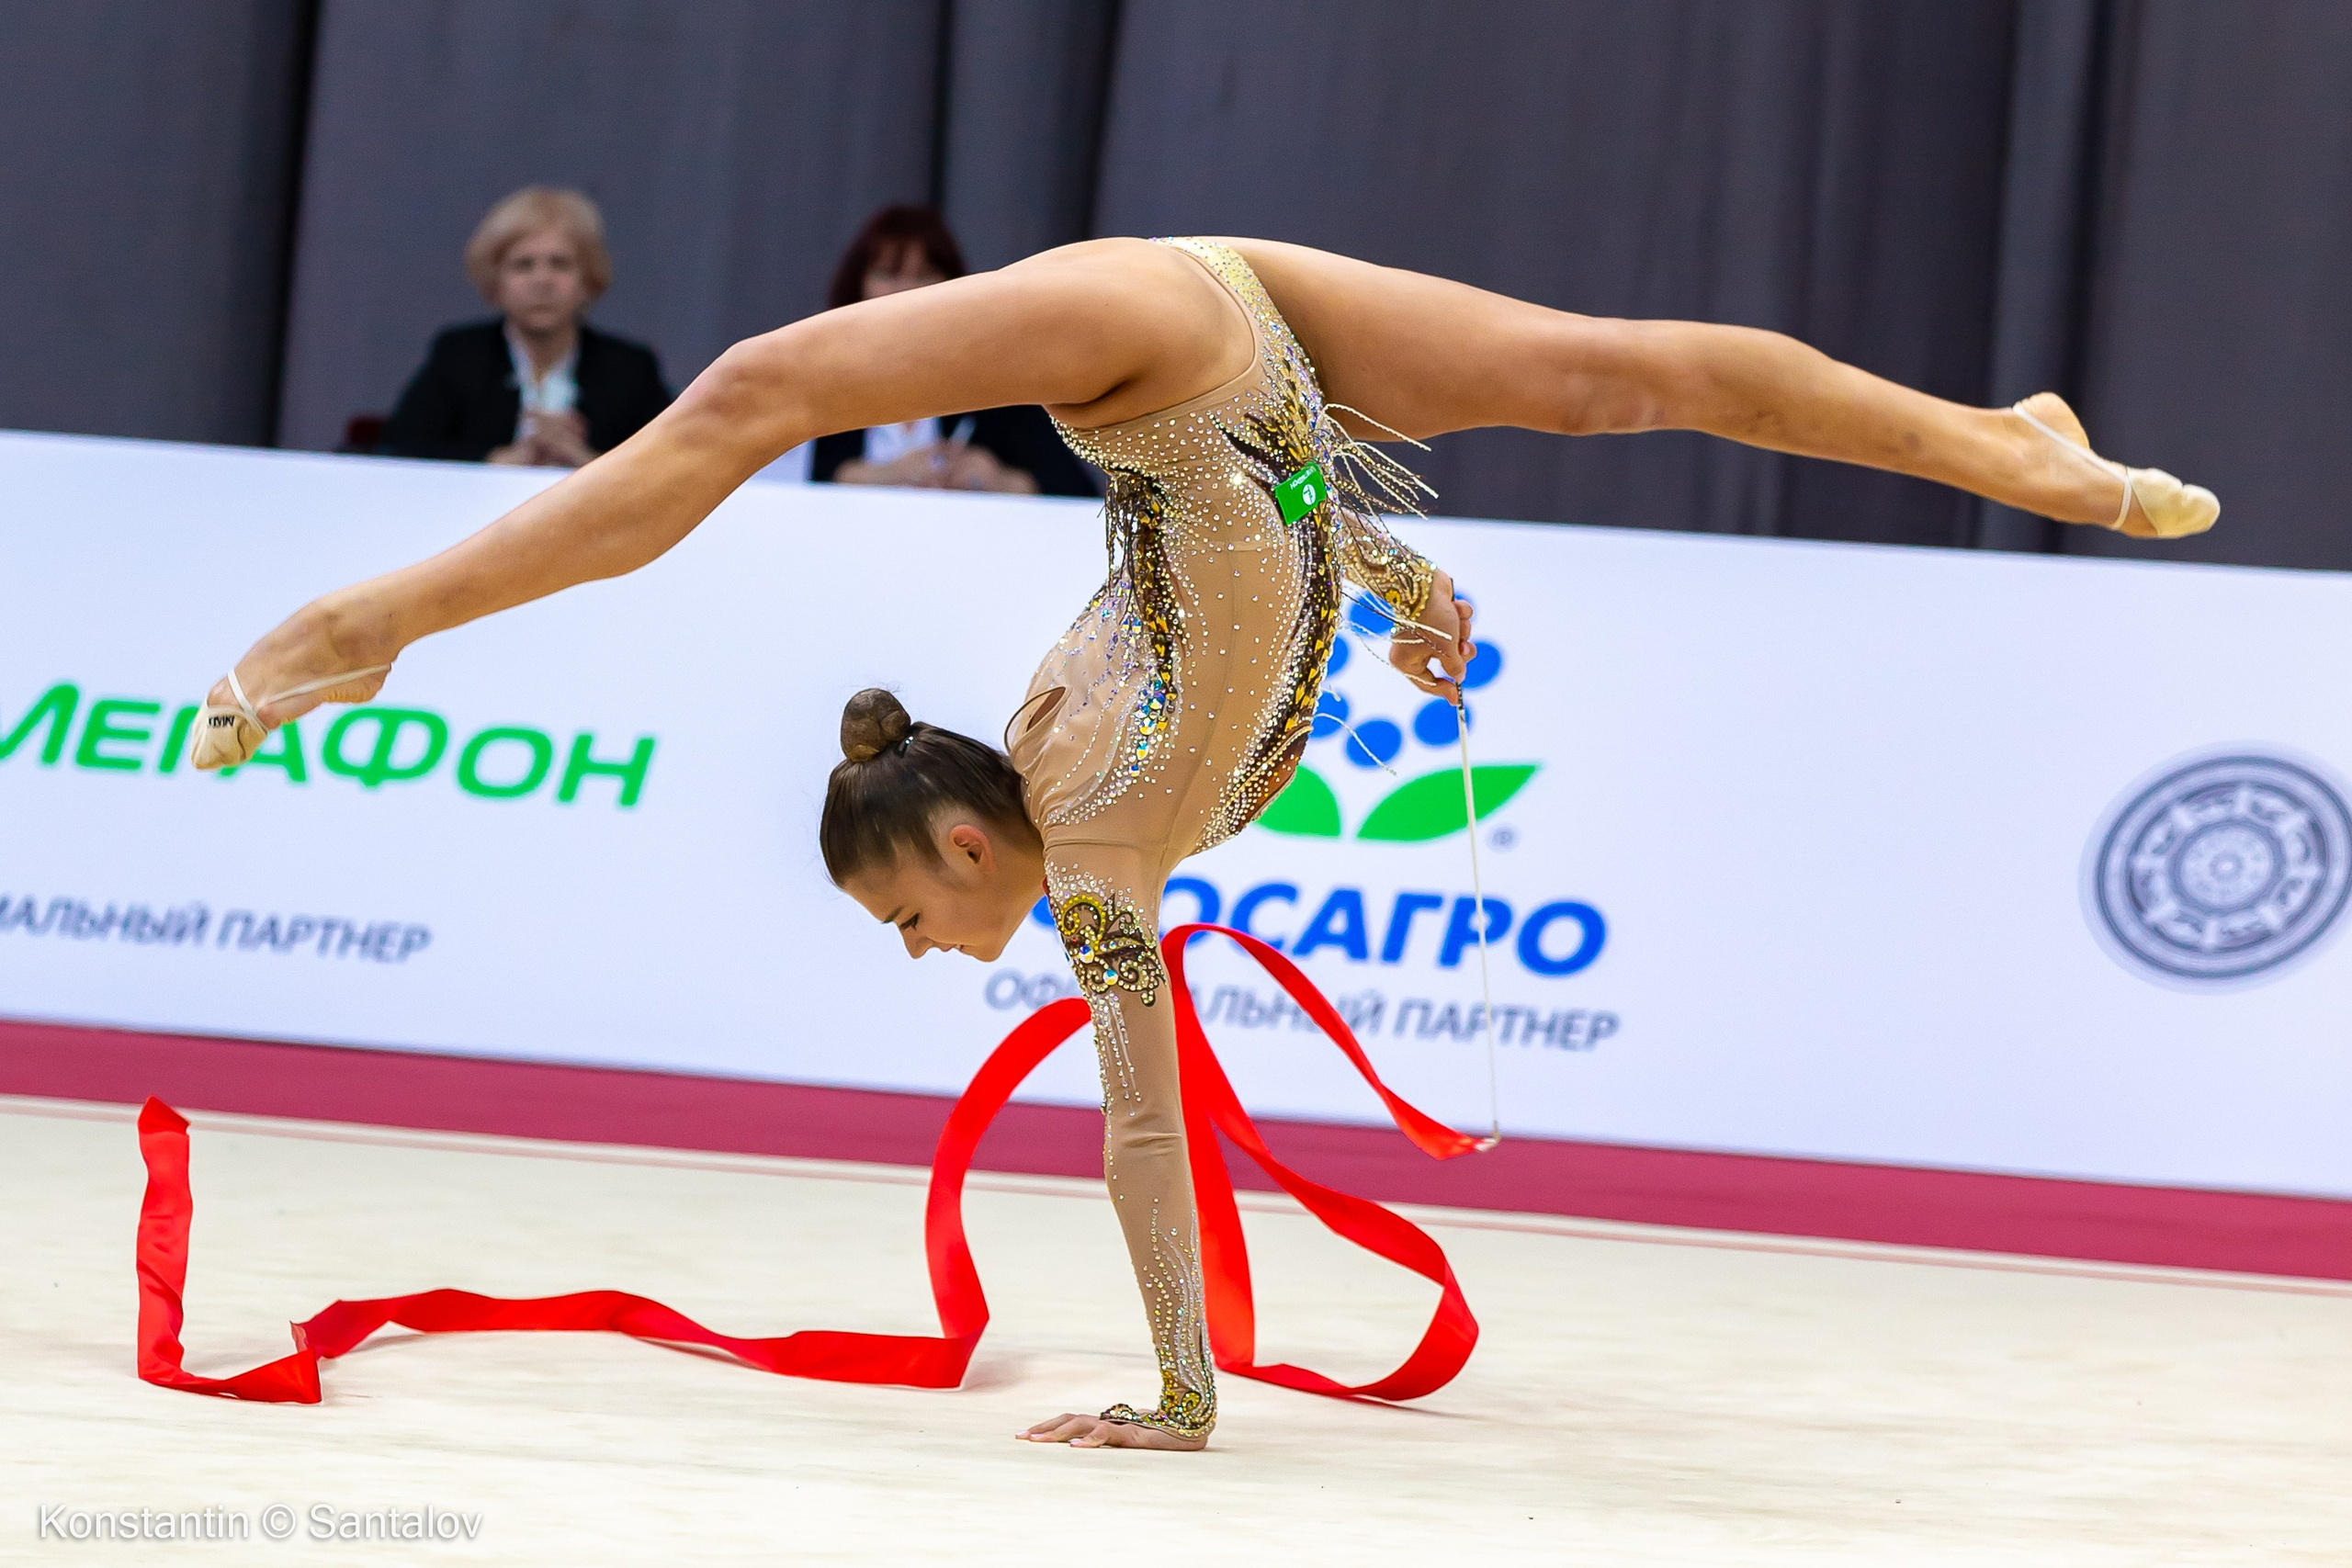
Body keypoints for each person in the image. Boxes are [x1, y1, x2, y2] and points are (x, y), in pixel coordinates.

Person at [187, 234, 2217, 1450]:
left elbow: (1143, 1116)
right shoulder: (1061, 748)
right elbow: (1248, 552)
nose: (914, 953)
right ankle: (2004, 441)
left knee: (751, 385)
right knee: (1632, 379)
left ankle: (359, 625)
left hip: (1161, 354)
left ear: (969, 839)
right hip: (1257, 351)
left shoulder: (1099, 843)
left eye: (904, 913)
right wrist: (1402, 589)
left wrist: (1179, 1392)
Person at [810, 206, 1098, 497]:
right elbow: (794, 476)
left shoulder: (998, 385)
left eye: (923, 275)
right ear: (858, 285)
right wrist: (887, 475)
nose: (906, 291)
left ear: (954, 286)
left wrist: (999, 479)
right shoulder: (828, 379)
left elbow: (1077, 492)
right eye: (888, 274)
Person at [381, 187, 672, 467]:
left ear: (588, 280)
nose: (542, 281)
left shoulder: (629, 368)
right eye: (523, 265)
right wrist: (498, 461)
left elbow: (671, 462)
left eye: (560, 264)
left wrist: (584, 460)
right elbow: (402, 449)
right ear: (495, 283)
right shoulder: (460, 356)